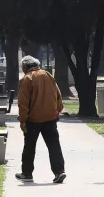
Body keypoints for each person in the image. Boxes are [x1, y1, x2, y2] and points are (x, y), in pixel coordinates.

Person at [16, 55, 66, 184]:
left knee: (29, 146)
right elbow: (57, 94)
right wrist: (58, 110)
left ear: (25, 67)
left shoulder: (26, 79)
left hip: (33, 120)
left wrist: (22, 120)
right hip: (50, 117)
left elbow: (23, 103)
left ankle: (27, 173)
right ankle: (59, 171)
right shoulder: (48, 75)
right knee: (54, 145)